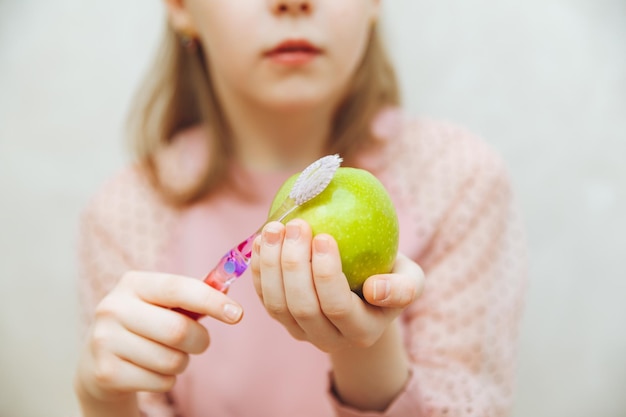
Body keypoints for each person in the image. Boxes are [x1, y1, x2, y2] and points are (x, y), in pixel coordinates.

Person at [74, 1, 527, 416]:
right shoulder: (125, 212)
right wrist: (106, 402)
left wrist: (365, 345)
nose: (292, 2)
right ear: (180, 6)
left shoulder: (460, 180)